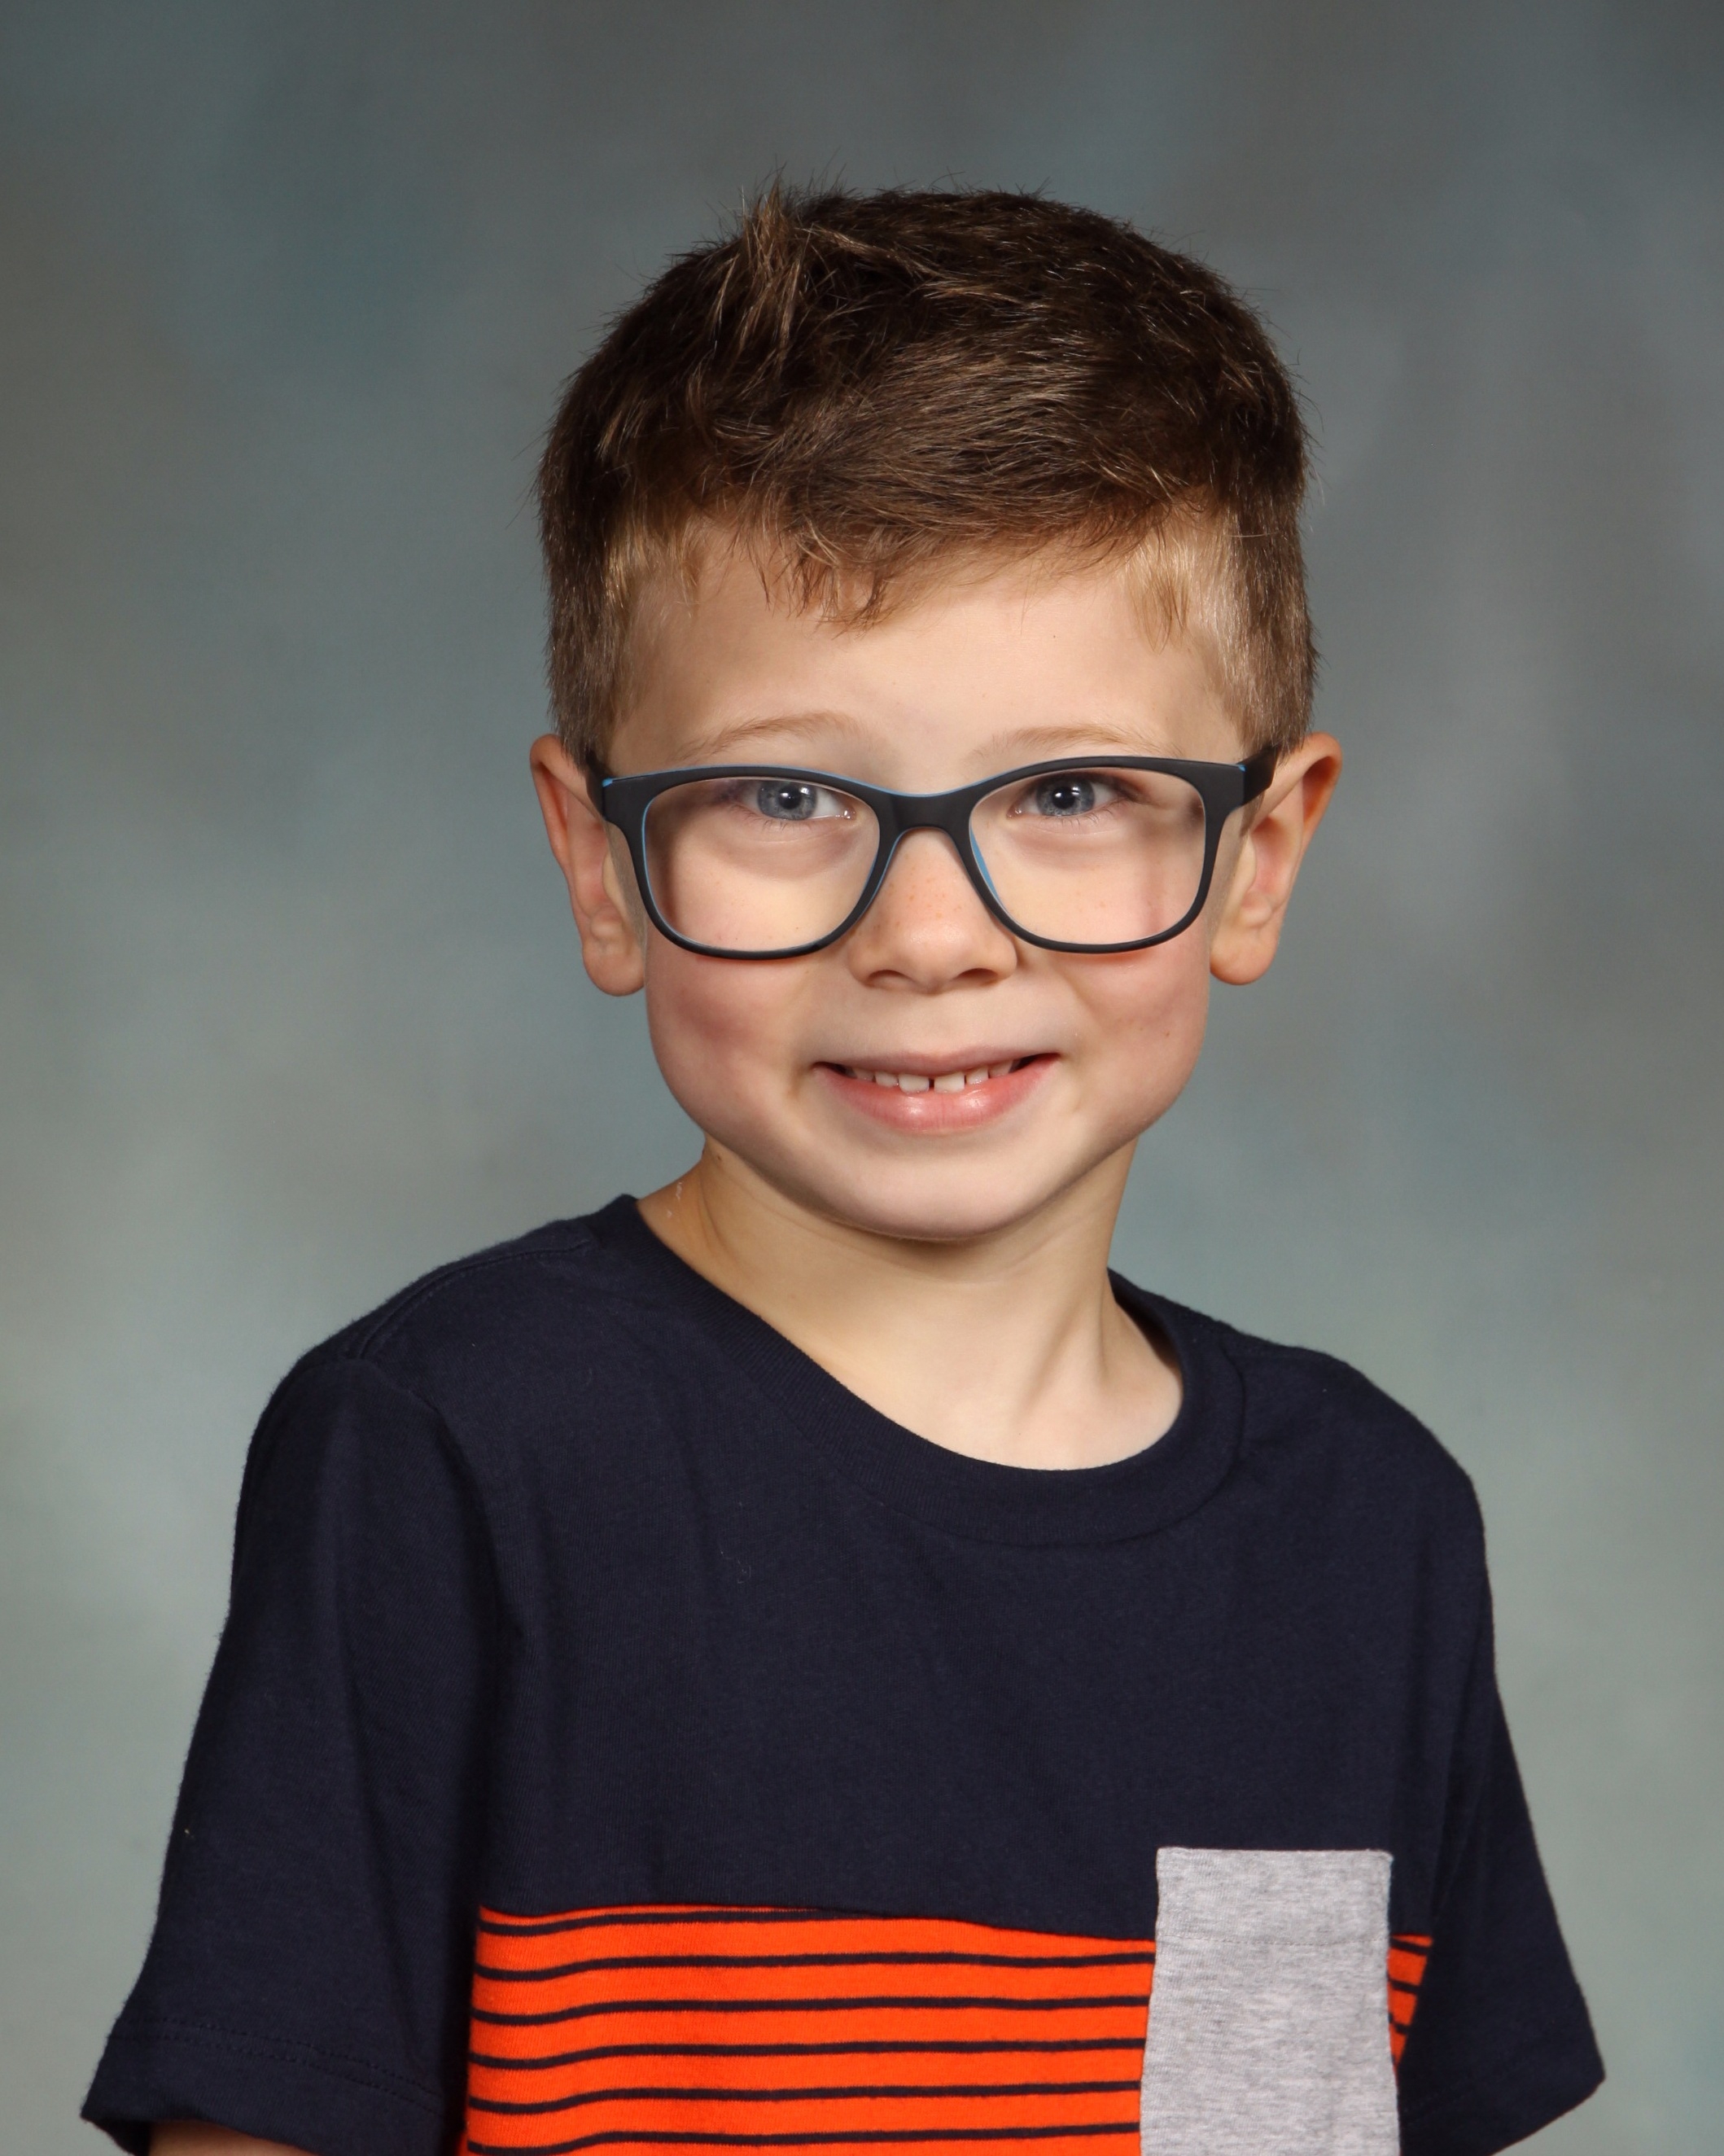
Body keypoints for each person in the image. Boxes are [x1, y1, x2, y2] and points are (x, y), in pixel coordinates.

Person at [85, 186, 1603, 2156]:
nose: (930, 932)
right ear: (596, 857)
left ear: (1261, 853)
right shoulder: (453, 1448)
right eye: (788, 796)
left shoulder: (1368, 1528)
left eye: (1072, 794)